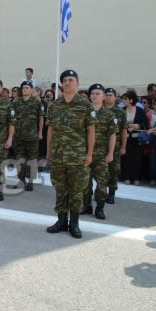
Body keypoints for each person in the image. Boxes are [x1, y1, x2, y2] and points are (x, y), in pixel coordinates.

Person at [46, 70, 96, 239]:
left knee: (76, 190)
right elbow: (51, 130)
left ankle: (74, 224)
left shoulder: (85, 105)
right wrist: (48, 152)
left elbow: (91, 131)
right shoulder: (55, 105)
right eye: (65, 80)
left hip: (77, 156)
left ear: (77, 83)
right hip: (58, 155)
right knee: (60, 189)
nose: (67, 82)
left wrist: (89, 154)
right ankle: (61, 221)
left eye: (71, 80)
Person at [83, 84, 116, 220]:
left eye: (98, 93)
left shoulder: (109, 114)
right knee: (85, 182)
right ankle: (86, 206)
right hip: (85, 153)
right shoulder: (84, 112)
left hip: (101, 154)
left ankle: (100, 209)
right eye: (93, 93)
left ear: (103, 96)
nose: (95, 96)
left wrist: (110, 153)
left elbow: (112, 135)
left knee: (102, 183)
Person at [13, 81, 44, 191]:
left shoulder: (37, 103)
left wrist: (40, 132)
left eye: (27, 87)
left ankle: (30, 181)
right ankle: (21, 180)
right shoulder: (16, 103)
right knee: (19, 160)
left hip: (32, 136)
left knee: (32, 160)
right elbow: (12, 119)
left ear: (31, 90)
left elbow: (40, 118)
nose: (25, 89)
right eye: (23, 88)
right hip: (19, 136)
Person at [103, 88, 127, 204]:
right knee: (100, 171)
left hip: (115, 146)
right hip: (100, 146)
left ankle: (111, 193)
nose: (108, 97)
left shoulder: (120, 112)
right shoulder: (98, 110)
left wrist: (123, 146)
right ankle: (101, 193)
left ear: (115, 97)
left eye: (110, 95)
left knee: (113, 171)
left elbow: (123, 130)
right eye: (106, 95)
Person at [121, 91, 148, 185]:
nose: (123, 101)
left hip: (137, 139)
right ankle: (127, 177)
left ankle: (136, 178)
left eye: (125, 99)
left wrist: (138, 126)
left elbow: (145, 124)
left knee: (137, 159)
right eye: (123, 98)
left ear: (131, 100)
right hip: (125, 137)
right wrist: (129, 127)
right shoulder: (122, 110)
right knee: (125, 158)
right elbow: (119, 124)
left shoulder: (140, 110)